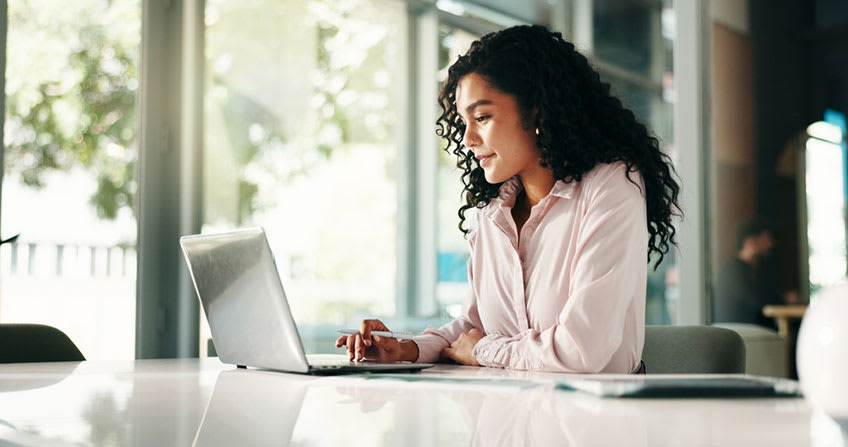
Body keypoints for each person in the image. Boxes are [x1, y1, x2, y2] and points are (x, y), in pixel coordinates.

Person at [335, 25, 681, 373]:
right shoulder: (492, 214)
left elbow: (581, 350)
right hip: (507, 414)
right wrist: (405, 349)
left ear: (538, 111)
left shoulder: (611, 185)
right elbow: (472, 328)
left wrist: (485, 350)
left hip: (591, 421)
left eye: (482, 117)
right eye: (463, 122)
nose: (468, 138)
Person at [713, 219, 797, 327]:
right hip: (740, 333)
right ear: (750, 240)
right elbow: (756, 300)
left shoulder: (751, 269)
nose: (771, 244)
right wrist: (785, 300)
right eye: (766, 238)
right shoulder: (733, 270)